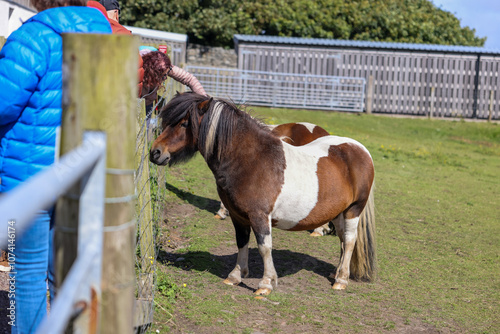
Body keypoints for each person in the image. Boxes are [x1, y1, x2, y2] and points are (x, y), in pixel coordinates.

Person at [0, 1, 112, 333]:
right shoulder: (103, 32)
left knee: (25, 271)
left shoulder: (34, 37)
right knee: (66, 267)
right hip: (81, 174)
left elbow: (3, 103)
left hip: (27, 176)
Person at [141, 48, 207, 119]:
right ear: (152, 74)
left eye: (167, 73)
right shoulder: (139, 72)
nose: (165, 78)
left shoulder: (165, 66)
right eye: (163, 76)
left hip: (148, 105)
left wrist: (205, 100)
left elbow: (189, 79)